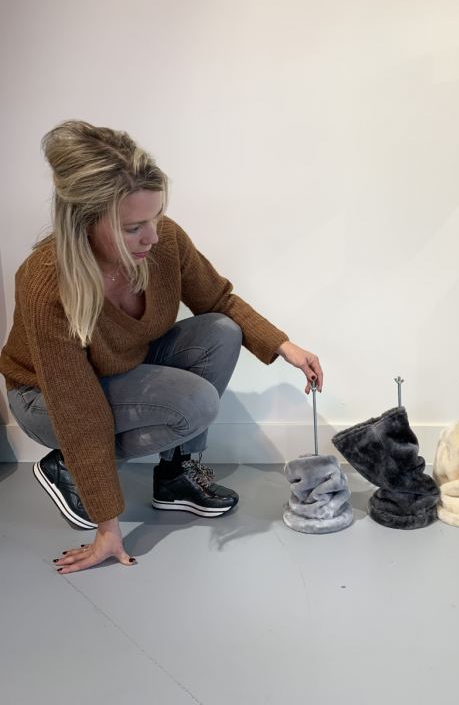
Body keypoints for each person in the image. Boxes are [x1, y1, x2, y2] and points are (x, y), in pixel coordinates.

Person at [0, 120, 323, 574]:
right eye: (134, 227)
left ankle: (175, 477)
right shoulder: (46, 281)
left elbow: (218, 300)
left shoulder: (163, 241)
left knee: (221, 330)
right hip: (46, 398)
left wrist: (283, 345)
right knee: (195, 404)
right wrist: (108, 526)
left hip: (117, 368)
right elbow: (77, 405)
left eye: (154, 217)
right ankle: (67, 465)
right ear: (86, 223)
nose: (152, 236)